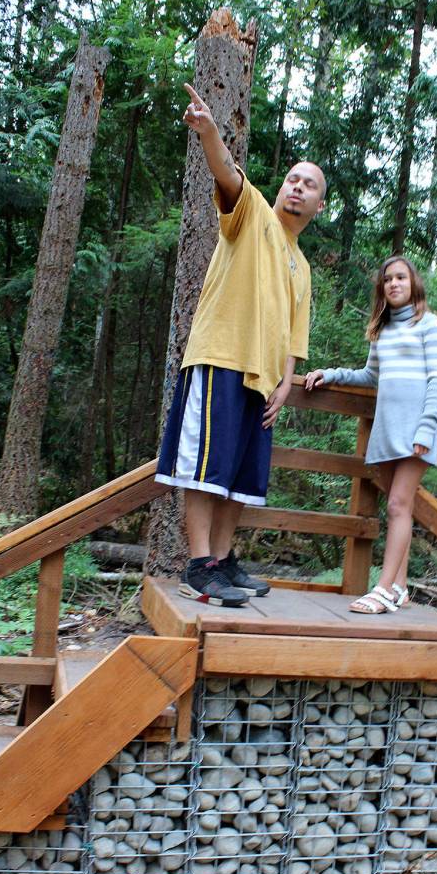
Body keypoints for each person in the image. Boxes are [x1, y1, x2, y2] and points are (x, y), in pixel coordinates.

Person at [156, 82, 326, 607]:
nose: (297, 187)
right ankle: (199, 564)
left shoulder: (303, 267)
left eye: (310, 185)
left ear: (319, 205)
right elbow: (227, 173)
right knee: (207, 469)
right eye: (293, 179)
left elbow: (295, 333)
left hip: (263, 378)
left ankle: (224, 562)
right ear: (279, 190)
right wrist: (209, 133)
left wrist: (286, 381)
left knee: (240, 478)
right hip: (221, 357)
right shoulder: (252, 215)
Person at [304, 257, 437, 614]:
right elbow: (370, 376)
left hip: (417, 427)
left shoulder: (429, 324)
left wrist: (427, 426)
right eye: (387, 280)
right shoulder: (381, 329)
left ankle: (382, 590)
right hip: (386, 428)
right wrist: (331, 374)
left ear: (413, 282)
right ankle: (398, 586)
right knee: (399, 506)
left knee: (399, 504)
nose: (394, 284)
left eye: (401, 277)